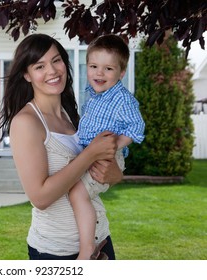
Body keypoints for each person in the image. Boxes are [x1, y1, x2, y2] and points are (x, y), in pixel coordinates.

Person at [0, 33, 123, 260]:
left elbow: (102, 176)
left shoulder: (71, 114)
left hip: (99, 239)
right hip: (57, 251)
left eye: (56, 60)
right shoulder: (26, 123)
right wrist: (90, 155)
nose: (52, 71)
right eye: (39, 66)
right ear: (27, 74)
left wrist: (114, 174)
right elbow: (40, 198)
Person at [69, 34, 145, 259]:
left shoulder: (122, 99)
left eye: (108, 69)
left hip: (106, 156)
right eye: (93, 66)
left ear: (121, 73)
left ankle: (86, 250)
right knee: (80, 193)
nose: (99, 73)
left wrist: (114, 146)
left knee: (78, 194)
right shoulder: (94, 95)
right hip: (92, 153)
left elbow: (136, 126)